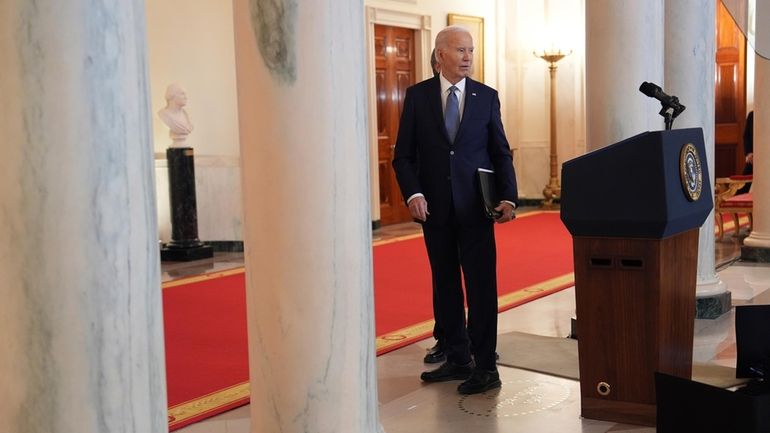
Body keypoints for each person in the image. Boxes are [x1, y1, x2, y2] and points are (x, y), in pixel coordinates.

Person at [392, 25, 518, 395]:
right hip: (435, 210)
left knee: (481, 288)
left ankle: (486, 366)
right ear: (440, 55)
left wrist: (508, 197)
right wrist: (413, 192)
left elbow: (500, 151)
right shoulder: (417, 97)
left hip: (477, 209)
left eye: (471, 51)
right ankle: (458, 358)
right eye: (460, 51)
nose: (467, 57)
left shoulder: (486, 97)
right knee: (445, 284)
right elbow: (403, 156)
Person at [158, 83, 194, 147]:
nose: (186, 97)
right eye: (182, 94)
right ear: (172, 96)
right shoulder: (163, 114)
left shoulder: (187, 115)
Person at [738, 110, 754, 194]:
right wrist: (749, 153)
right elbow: (746, 136)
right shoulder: (752, 115)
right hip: (753, 158)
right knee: (743, 185)